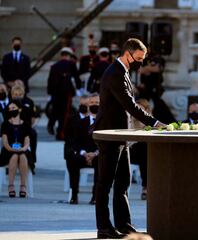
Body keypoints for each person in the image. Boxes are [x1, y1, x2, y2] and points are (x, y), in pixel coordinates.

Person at [93, 38, 165, 239]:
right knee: (105, 182)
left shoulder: (123, 72)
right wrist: (155, 123)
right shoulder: (114, 73)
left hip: (121, 134)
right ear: (128, 54)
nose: (140, 62)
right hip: (109, 134)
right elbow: (130, 105)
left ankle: (124, 225)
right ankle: (104, 227)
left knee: (123, 181)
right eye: (139, 58)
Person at [66, 94, 99, 205]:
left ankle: (96, 195)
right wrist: (85, 153)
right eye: (92, 103)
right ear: (88, 105)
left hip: (98, 155)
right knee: (72, 160)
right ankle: (74, 194)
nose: (94, 105)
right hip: (83, 154)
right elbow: (76, 142)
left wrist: (94, 154)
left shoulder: (105, 122)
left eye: (97, 103)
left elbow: (106, 143)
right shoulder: (80, 122)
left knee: (103, 163)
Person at [47, 47, 82, 140]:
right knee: (64, 113)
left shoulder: (54, 66)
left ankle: (51, 123)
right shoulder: (71, 64)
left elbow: (50, 81)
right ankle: (60, 133)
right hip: (67, 93)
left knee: (55, 110)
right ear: (69, 56)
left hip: (55, 93)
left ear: (61, 55)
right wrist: (79, 88)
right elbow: (76, 77)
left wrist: (49, 94)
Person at [0, 100, 32, 198]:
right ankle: (11, 186)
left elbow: (27, 141)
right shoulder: (5, 124)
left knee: (22, 156)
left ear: (20, 109)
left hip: (22, 149)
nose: (11, 110)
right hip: (8, 150)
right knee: (14, 156)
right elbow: (5, 142)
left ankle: (23, 186)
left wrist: (23, 148)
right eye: (10, 108)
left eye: (14, 108)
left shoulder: (25, 124)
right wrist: (11, 149)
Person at [130, 99, 151, 200]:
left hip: (144, 153)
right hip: (130, 151)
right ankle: (145, 187)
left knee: (145, 151)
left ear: (146, 110)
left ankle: (146, 186)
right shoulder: (129, 121)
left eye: (140, 109)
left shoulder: (151, 123)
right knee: (144, 150)